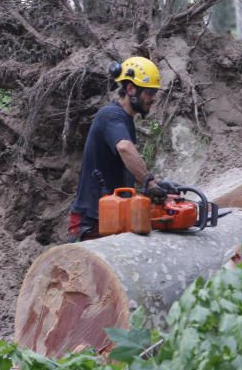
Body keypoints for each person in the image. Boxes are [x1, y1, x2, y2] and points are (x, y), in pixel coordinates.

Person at [68, 56, 171, 241]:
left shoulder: (125, 122)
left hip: (113, 215)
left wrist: (156, 183)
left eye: (154, 93)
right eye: (149, 93)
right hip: (93, 220)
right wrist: (149, 182)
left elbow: (126, 167)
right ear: (131, 89)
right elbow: (124, 148)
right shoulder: (110, 115)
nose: (153, 98)